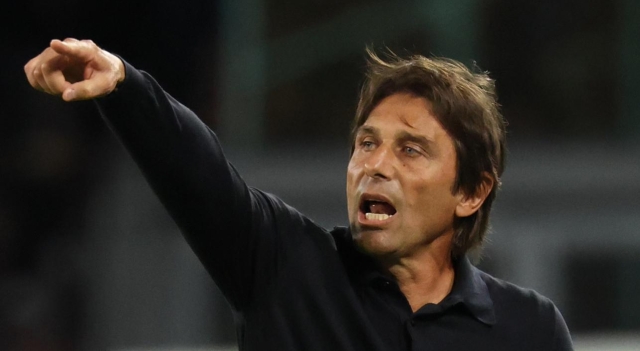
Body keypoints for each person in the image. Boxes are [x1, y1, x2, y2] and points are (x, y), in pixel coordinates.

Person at [24, 38, 573, 350]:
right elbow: (197, 173)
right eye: (366, 143)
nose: (374, 165)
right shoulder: (283, 264)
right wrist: (124, 83)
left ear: (472, 193)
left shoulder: (530, 329)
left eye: (410, 150)